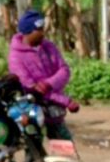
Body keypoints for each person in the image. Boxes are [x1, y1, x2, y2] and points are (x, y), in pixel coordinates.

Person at [7, 10, 80, 139]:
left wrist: (48, 83)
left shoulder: (49, 47)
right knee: (35, 152)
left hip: (54, 111)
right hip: (32, 112)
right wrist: (66, 101)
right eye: (38, 30)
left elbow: (64, 70)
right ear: (28, 32)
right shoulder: (16, 57)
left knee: (65, 147)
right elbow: (35, 89)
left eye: (42, 29)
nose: (42, 33)